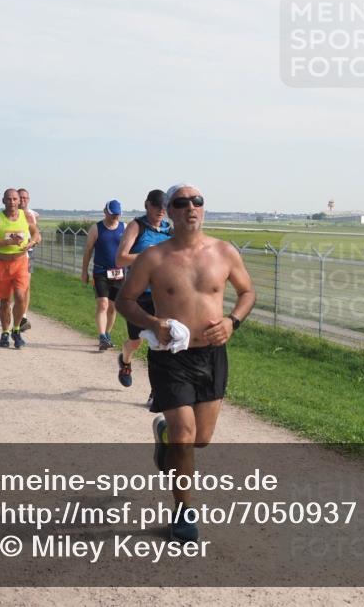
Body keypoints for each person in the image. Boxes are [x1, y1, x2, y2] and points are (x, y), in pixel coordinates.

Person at [116, 184, 255, 543]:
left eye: (197, 201)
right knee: (184, 435)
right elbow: (125, 301)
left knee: (202, 440)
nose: (191, 207)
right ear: (170, 212)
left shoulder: (224, 252)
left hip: (212, 355)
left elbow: (247, 292)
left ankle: (163, 433)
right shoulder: (154, 257)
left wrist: (232, 322)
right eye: (181, 203)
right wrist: (153, 323)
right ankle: (183, 511)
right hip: (171, 357)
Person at [113, 189, 171, 390]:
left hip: (161, 297)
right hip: (138, 296)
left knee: (161, 344)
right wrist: (149, 257)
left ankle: (156, 391)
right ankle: (125, 361)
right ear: (147, 205)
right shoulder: (137, 227)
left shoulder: (167, 230)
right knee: (135, 342)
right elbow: (120, 259)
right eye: (156, 205)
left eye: (164, 207)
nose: (160, 210)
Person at [0, 188, 40, 349]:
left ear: (19, 201)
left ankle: (16, 330)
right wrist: (8, 242)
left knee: (20, 296)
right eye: (8, 199)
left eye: (15, 199)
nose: (12, 202)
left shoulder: (26, 216)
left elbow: (36, 233)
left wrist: (32, 242)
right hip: (2, 263)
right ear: (3, 201)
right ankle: (5, 332)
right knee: (4, 302)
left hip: (20, 262)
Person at [81, 200, 126, 351]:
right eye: (112, 214)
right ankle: (101, 337)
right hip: (100, 272)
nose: (115, 217)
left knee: (113, 307)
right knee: (103, 304)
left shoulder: (124, 227)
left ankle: (107, 335)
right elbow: (88, 251)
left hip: (119, 273)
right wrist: (84, 272)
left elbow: (129, 250)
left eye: (117, 214)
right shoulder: (96, 228)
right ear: (105, 212)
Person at [17, 188, 41, 331]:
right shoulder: (10, 215)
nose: (23, 200)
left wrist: (35, 240)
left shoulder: (33, 215)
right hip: (13, 253)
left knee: (26, 285)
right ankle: (16, 313)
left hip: (29, 253)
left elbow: (36, 233)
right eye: (20, 197)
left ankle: (23, 315)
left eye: (25, 197)